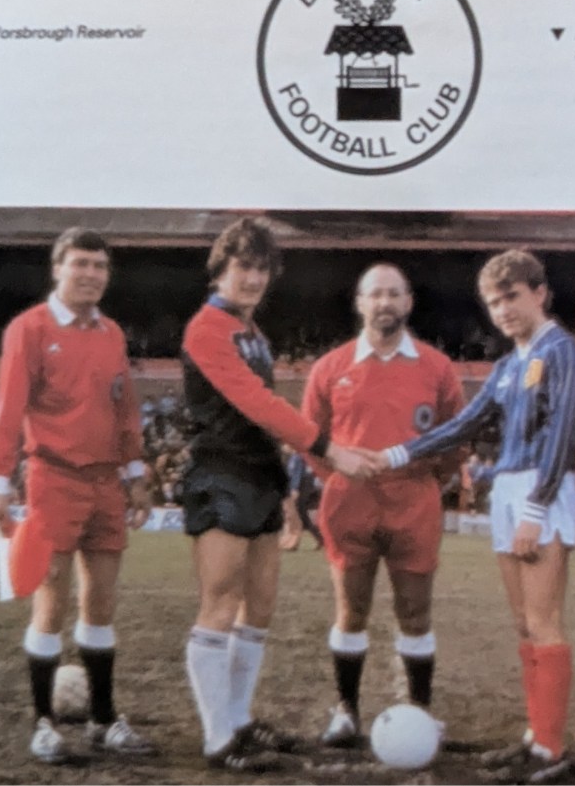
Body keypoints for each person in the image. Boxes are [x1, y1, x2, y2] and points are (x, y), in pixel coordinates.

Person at [370, 250, 575, 783]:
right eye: (494, 302)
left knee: (543, 620)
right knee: (522, 622)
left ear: (539, 293)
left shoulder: (561, 351)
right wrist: (400, 453)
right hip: (509, 490)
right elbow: (466, 422)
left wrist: (537, 506)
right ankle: (535, 737)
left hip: (541, 488)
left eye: (512, 297)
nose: (504, 310)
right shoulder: (510, 364)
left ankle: (551, 748)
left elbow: (564, 434)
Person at [179, 218, 372, 770]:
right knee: (219, 605)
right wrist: (328, 448)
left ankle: (239, 720)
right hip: (221, 475)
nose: (253, 277)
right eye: (243, 265)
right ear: (221, 268)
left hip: (261, 476)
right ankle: (219, 739)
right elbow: (255, 404)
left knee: (258, 609)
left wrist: (289, 485)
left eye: (262, 268)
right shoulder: (207, 328)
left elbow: (267, 422)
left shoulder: (255, 334)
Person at [0, 227, 155, 764]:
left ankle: (103, 721)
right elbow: (9, 410)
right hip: (54, 477)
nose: (91, 275)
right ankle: (43, 725)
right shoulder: (29, 328)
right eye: (80, 264)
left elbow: (125, 408)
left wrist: (137, 473)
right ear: (58, 268)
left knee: (100, 604)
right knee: (51, 602)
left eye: (100, 267)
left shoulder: (111, 333)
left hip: (106, 483)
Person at [300, 264, 465, 746]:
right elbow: (310, 439)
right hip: (350, 504)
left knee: (415, 613)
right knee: (351, 610)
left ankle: (421, 710)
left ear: (409, 302)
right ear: (360, 302)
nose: (385, 303)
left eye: (394, 294)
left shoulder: (437, 367)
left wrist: (427, 482)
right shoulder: (330, 367)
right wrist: (339, 478)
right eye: (376, 294)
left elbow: (458, 436)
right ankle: (346, 710)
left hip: (414, 502)